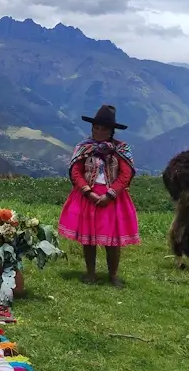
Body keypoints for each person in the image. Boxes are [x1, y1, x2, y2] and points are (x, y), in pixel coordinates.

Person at [57, 104, 140, 287]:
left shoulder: (121, 149)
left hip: (113, 198)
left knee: (112, 240)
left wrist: (111, 194)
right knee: (89, 237)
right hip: (88, 195)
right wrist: (87, 191)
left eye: (103, 128)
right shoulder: (84, 148)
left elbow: (125, 174)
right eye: (96, 128)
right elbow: (76, 172)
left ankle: (113, 275)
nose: (99, 131)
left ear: (111, 131)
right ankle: (91, 273)